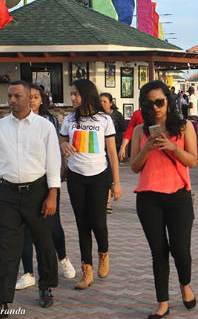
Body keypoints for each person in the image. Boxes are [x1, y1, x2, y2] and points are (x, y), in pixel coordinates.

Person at [0, 81, 61, 317]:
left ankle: (46, 287)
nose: (12, 100)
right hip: (7, 193)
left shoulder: (44, 127)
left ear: (29, 98)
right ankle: (1, 301)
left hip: (38, 192)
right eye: (10, 96)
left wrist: (53, 194)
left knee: (44, 242)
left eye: (17, 96)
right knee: (5, 246)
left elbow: (53, 162)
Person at [129, 80, 198, 319]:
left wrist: (171, 147)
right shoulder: (140, 131)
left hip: (179, 196)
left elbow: (192, 161)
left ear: (168, 101)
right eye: (150, 104)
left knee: (180, 248)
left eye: (160, 101)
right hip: (149, 199)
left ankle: (185, 285)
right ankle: (163, 302)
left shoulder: (184, 127)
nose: (156, 107)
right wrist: (147, 148)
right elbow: (134, 168)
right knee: (158, 252)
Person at [59, 79, 122, 290]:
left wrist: (116, 182)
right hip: (76, 177)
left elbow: (112, 152)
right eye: (72, 94)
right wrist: (65, 145)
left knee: (98, 221)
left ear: (86, 94)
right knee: (82, 224)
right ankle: (87, 271)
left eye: (76, 93)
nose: (73, 97)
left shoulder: (104, 119)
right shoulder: (69, 119)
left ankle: (103, 253)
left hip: (99, 176)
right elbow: (61, 143)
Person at [14, 85, 76, 292]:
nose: (31, 100)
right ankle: (28, 273)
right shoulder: (12, 123)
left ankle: (63, 257)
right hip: (21, 184)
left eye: (35, 97)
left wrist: (57, 179)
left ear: (42, 100)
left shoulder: (49, 122)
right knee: (24, 231)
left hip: (46, 182)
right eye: (28, 97)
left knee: (52, 225)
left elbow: (55, 152)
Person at [100, 93, 128, 214]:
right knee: (104, 175)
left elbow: (123, 132)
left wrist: (123, 148)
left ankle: (107, 202)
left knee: (110, 174)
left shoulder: (117, 116)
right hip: (100, 149)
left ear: (111, 103)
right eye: (100, 101)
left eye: (105, 101)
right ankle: (105, 200)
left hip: (114, 148)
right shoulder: (97, 116)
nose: (102, 104)